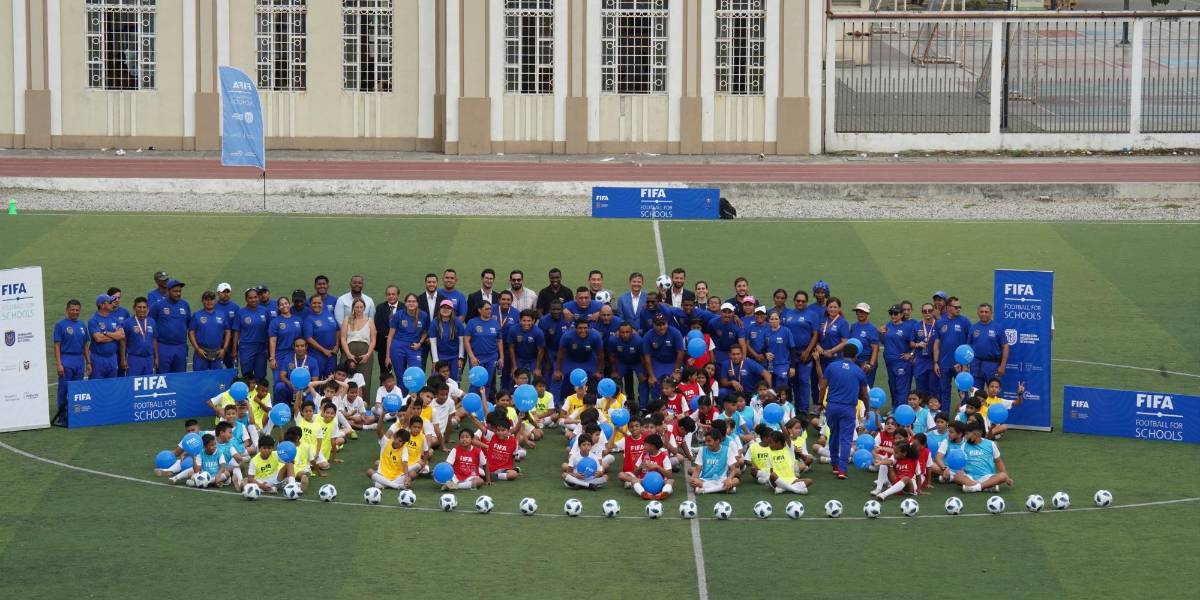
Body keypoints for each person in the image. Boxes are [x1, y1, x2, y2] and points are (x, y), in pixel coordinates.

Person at [821, 343, 870, 479]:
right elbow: (865, 394)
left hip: (832, 406)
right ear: (856, 356)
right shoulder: (859, 371)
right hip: (848, 408)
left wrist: (820, 403)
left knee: (833, 435)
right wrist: (867, 409)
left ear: (842, 354)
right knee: (846, 439)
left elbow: (823, 386)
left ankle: (835, 466)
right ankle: (842, 470)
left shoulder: (832, 366)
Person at [52, 300, 90, 426]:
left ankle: (75, 416)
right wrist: (59, 363)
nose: (75, 312)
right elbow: (57, 346)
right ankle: (62, 418)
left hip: (79, 361)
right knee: (63, 389)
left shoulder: (82, 325)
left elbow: (85, 345)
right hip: (67, 359)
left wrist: (88, 362)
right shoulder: (60, 325)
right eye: (72, 310)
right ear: (67, 310)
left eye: (77, 310)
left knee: (77, 390)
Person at [782, 291, 819, 416]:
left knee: (803, 380)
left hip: (805, 354)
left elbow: (815, 334)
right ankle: (790, 408)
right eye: (798, 300)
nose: (800, 303)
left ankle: (803, 409)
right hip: (790, 354)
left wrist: (808, 351)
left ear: (806, 302)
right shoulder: (788, 314)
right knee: (791, 381)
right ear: (794, 301)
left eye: (803, 301)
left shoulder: (812, 315)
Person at [932, 296, 972, 407]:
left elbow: (971, 342)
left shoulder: (964, 321)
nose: (959, 309)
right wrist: (935, 363)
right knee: (944, 392)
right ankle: (945, 418)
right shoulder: (940, 322)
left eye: (960, 307)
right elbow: (936, 343)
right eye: (956, 307)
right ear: (949, 307)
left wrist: (965, 363)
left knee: (963, 391)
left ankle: (965, 418)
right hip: (944, 364)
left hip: (960, 365)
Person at [386, 293, 429, 394]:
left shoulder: (423, 315)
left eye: (413, 301)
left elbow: (426, 331)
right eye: (409, 301)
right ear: (405, 303)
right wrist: (388, 356)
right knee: (401, 377)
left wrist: (420, 343)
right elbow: (390, 336)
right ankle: (403, 402)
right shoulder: (399, 315)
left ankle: (418, 402)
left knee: (417, 375)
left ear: (417, 303)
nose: (411, 303)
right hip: (398, 347)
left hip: (414, 348)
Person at [953, 420, 1012, 493]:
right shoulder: (964, 446)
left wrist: (1007, 478)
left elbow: (998, 461)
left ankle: (975, 487)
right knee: (957, 477)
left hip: (987, 477)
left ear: (977, 434)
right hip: (970, 477)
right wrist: (961, 471)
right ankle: (986, 487)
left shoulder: (990, 444)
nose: (966, 437)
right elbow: (961, 462)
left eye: (967, 434)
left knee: (1003, 476)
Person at [555, 319, 605, 400]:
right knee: (562, 378)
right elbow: (561, 354)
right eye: (580, 328)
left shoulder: (596, 336)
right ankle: (560, 401)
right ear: (575, 328)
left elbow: (600, 355)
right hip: (570, 360)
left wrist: (599, 371)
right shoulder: (567, 336)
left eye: (585, 328)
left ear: (589, 328)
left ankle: (599, 400)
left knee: (597, 378)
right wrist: (558, 370)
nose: (583, 330)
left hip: (588, 360)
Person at [642, 315, 685, 403]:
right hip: (658, 361)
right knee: (654, 382)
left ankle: (676, 404)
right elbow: (647, 356)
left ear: (667, 323)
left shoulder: (675, 333)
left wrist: (676, 371)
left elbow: (680, 352)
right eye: (658, 325)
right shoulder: (648, 336)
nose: (661, 327)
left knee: (674, 381)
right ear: (653, 325)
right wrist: (651, 375)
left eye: (663, 324)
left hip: (673, 361)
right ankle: (657, 405)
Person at [464, 301, 505, 394]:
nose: (489, 311)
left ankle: (484, 405)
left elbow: (499, 341)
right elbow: (466, 340)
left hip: (491, 358)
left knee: (487, 383)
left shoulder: (495, 323)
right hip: (477, 358)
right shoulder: (472, 322)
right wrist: (471, 357)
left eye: (490, 309)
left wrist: (501, 357)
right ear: (479, 310)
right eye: (486, 309)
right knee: (475, 383)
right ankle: (472, 406)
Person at [151, 279, 190, 373]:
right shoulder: (158, 306)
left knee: (180, 376)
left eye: (180, 291)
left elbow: (188, 324)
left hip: (180, 346)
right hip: (163, 346)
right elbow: (150, 324)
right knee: (163, 377)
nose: (178, 293)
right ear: (168, 291)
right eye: (175, 291)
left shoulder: (185, 305)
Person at [340, 297, 377, 398]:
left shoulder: (370, 321)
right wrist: (348, 354)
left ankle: (364, 404)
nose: (359, 309)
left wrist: (368, 355)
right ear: (353, 308)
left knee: (364, 378)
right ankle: (343, 402)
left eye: (361, 307)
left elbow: (373, 340)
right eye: (357, 307)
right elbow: (343, 338)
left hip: (365, 353)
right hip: (349, 352)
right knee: (346, 377)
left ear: (364, 308)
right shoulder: (347, 320)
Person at [882, 304, 916, 409]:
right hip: (889, 363)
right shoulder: (888, 325)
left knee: (902, 389)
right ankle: (895, 408)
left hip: (902, 363)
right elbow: (884, 341)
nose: (893, 315)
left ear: (901, 314)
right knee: (893, 387)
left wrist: (911, 354)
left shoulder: (907, 328)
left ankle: (901, 413)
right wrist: (880, 333)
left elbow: (915, 343)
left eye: (896, 313)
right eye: (891, 313)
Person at [232, 287, 270, 380]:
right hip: (246, 348)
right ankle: (247, 394)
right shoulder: (241, 312)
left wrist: (269, 349)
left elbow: (269, 331)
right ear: (246, 299)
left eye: (255, 297)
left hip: (261, 348)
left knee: (261, 376)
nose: (253, 299)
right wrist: (234, 350)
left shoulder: (264, 311)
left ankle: (259, 394)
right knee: (247, 375)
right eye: (250, 298)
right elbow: (236, 332)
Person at [188, 291, 230, 372]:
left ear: (215, 301)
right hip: (201, 352)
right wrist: (197, 348)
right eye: (206, 299)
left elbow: (228, 331)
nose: (209, 302)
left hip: (217, 352)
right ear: (202, 301)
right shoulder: (197, 315)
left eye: (211, 299)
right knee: (199, 377)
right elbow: (191, 332)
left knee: (216, 378)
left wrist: (224, 349)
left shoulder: (222, 315)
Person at [689, 428, 739, 494]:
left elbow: (733, 469)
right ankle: (723, 489)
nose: (706, 443)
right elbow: (697, 469)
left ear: (717, 441)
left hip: (722, 480)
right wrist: (693, 479)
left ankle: (705, 490)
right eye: (706, 441)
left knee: (736, 480)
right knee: (694, 482)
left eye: (709, 441)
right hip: (705, 480)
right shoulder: (702, 450)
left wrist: (729, 478)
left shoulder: (727, 450)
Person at [87, 293, 124, 379]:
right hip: (98, 358)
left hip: (112, 358)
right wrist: (115, 337)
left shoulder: (114, 318)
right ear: (102, 305)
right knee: (96, 385)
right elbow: (98, 338)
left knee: (111, 385)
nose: (113, 304)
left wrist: (105, 333)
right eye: (110, 302)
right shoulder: (93, 320)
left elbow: (122, 335)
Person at [303, 295, 340, 379]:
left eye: (319, 303)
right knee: (317, 379)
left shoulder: (329, 313)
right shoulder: (308, 319)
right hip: (317, 355)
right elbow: (308, 338)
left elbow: (337, 330)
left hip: (331, 354)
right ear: (310, 304)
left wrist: (337, 346)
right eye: (314, 303)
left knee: (330, 379)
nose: (317, 305)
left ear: (322, 303)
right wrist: (323, 350)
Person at [970, 303, 1009, 383]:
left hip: (992, 365)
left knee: (993, 393)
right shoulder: (973, 328)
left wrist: (1002, 366)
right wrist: (965, 365)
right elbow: (968, 348)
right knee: (975, 392)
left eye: (986, 312)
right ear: (978, 313)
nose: (984, 314)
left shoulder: (998, 328)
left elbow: (1005, 347)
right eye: (981, 312)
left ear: (991, 313)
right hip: (976, 364)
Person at [268, 297, 303, 386]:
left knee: (296, 380)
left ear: (289, 304)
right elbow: (272, 340)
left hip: (295, 354)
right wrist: (272, 358)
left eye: (286, 303)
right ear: (278, 307)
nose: (284, 306)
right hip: (280, 355)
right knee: (279, 382)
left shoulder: (298, 320)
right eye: (281, 304)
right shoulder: (275, 322)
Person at [428, 300, 464, 380]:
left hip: (454, 356)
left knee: (454, 379)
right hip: (441, 355)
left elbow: (461, 341)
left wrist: (460, 358)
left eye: (448, 308)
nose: (445, 310)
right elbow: (433, 343)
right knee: (438, 378)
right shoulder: (435, 322)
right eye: (443, 307)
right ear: (439, 309)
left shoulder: (457, 322)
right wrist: (435, 361)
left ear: (452, 310)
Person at [123, 297, 157, 376]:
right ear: (134, 308)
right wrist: (123, 359)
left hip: (149, 358)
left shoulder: (152, 321)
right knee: (132, 383)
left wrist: (156, 358)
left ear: (147, 308)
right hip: (134, 358)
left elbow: (154, 340)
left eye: (144, 307)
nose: (142, 309)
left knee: (147, 384)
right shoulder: (127, 322)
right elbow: (123, 342)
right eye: (139, 307)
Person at [849, 302, 881, 387]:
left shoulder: (872, 329)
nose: (860, 314)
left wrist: (870, 364)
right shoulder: (853, 326)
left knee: (865, 389)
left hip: (865, 364)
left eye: (862, 312)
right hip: (854, 363)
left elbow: (875, 348)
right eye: (858, 312)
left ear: (867, 313)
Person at [507, 309, 545, 378]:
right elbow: (511, 348)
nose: (526, 323)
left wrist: (537, 368)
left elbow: (541, 350)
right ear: (520, 320)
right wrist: (514, 366)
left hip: (533, 359)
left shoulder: (538, 332)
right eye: (524, 320)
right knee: (516, 378)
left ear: (533, 321)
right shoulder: (513, 330)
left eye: (529, 321)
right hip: (519, 358)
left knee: (536, 378)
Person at [537, 300, 570, 377]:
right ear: (549, 310)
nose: (556, 312)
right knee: (548, 371)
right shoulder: (543, 321)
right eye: (553, 309)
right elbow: (542, 343)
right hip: (549, 350)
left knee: (563, 373)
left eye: (558, 309)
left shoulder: (567, 319)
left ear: (562, 310)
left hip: (564, 351)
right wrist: (547, 359)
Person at [375, 284, 401, 373]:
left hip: (400, 344)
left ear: (398, 295)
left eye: (393, 294)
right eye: (389, 294)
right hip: (383, 345)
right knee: (384, 372)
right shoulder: (380, 308)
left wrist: (395, 337)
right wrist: (388, 336)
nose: (391, 296)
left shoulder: (404, 308)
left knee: (400, 370)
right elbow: (378, 325)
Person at [214, 283, 239, 369]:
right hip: (217, 343)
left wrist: (235, 348)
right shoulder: (213, 306)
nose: (226, 294)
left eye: (228, 292)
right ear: (218, 293)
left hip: (231, 343)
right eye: (223, 292)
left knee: (232, 368)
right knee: (217, 367)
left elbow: (237, 329)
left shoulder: (235, 307)